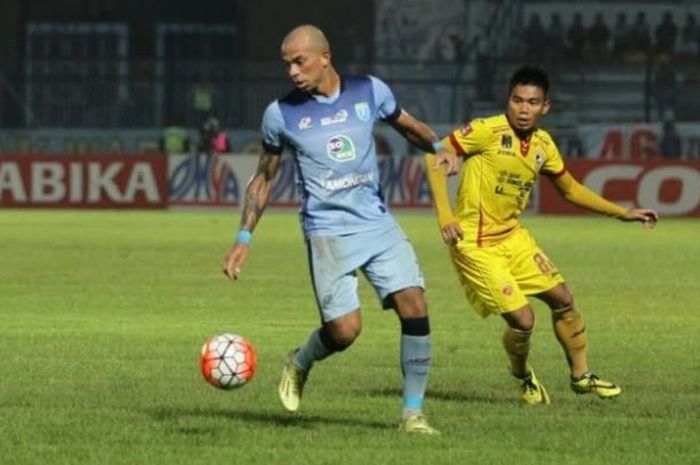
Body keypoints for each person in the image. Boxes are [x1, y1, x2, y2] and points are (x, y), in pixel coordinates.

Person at [222, 25, 455, 433]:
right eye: (287, 64)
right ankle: (301, 360)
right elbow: (263, 177)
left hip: (376, 222)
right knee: (345, 332)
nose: (292, 72)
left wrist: (440, 147)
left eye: (300, 61)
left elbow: (407, 124)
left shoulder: (369, 90)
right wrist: (244, 237)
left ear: (325, 57)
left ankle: (412, 414)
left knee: (414, 303)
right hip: (327, 231)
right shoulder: (282, 114)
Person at [424, 66, 659, 406]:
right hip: (474, 244)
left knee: (563, 299)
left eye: (532, 102)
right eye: (517, 100)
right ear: (508, 100)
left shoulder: (543, 144)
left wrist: (623, 212)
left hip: (513, 238)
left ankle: (581, 376)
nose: (523, 109)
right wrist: (445, 214)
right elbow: (435, 154)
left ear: (545, 107)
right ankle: (522, 376)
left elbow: (570, 189)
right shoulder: (486, 131)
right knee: (523, 319)